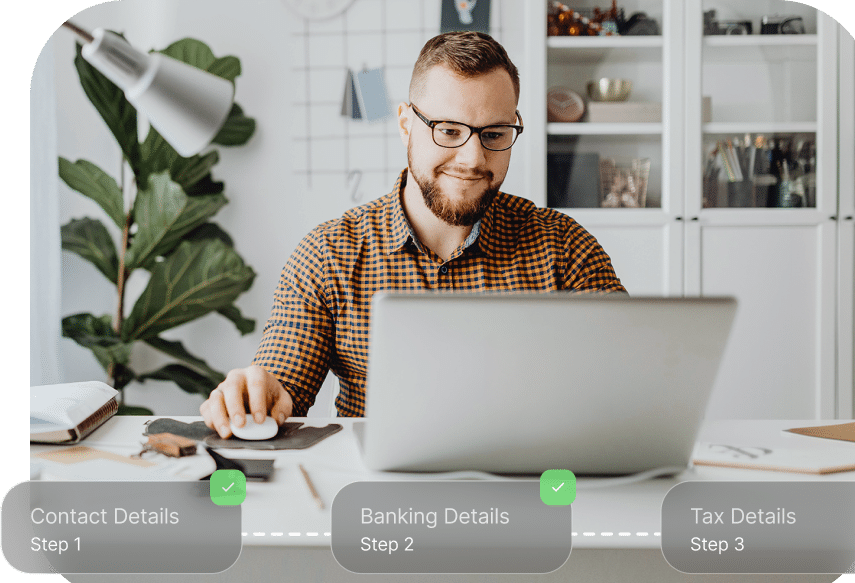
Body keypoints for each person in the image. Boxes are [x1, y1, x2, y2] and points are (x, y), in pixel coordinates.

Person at [200, 31, 626, 437]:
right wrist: (258, 395)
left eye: (494, 134)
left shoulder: (565, 247)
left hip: (530, 485)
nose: (473, 158)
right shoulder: (329, 253)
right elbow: (282, 383)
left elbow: (631, 375)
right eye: (449, 131)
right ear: (406, 123)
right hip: (380, 497)